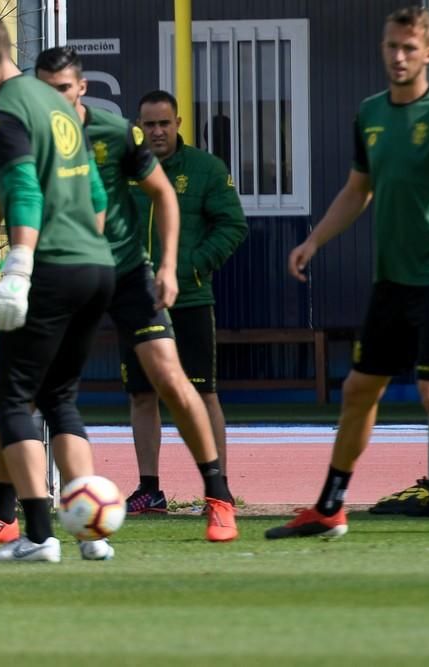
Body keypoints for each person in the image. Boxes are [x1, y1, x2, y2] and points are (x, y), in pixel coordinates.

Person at [0, 46, 239, 551]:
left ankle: (218, 496)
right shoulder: (31, 130)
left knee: (169, 377)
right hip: (59, 271)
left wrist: (167, 267)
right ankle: (5, 515)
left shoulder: (113, 132)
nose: (53, 98)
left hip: (124, 272)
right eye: (45, 89)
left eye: (62, 89)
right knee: (29, 390)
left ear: (82, 88)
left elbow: (161, 194)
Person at [266, 6, 429, 540]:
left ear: (428, 52)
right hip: (391, 281)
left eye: (408, 48)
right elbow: (359, 190)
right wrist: (313, 240)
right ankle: (331, 508)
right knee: (358, 389)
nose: (398, 57)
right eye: (391, 47)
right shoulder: (370, 114)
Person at [0, 12, 116, 563]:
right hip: (96, 267)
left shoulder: (3, 111)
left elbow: (21, 189)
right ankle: (93, 534)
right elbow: (94, 194)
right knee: (61, 396)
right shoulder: (56, 104)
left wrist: (19, 267)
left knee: (10, 397)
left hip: (51, 268)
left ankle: (38, 535)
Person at [124, 89, 247, 514]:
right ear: (138, 126)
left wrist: (189, 268)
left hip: (191, 298)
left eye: (164, 123)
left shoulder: (206, 169)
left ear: (178, 124)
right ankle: (149, 488)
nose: (157, 131)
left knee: (202, 393)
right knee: (142, 395)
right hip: (137, 301)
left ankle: (219, 490)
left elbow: (232, 225)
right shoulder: (126, 168)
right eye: (149, 124)